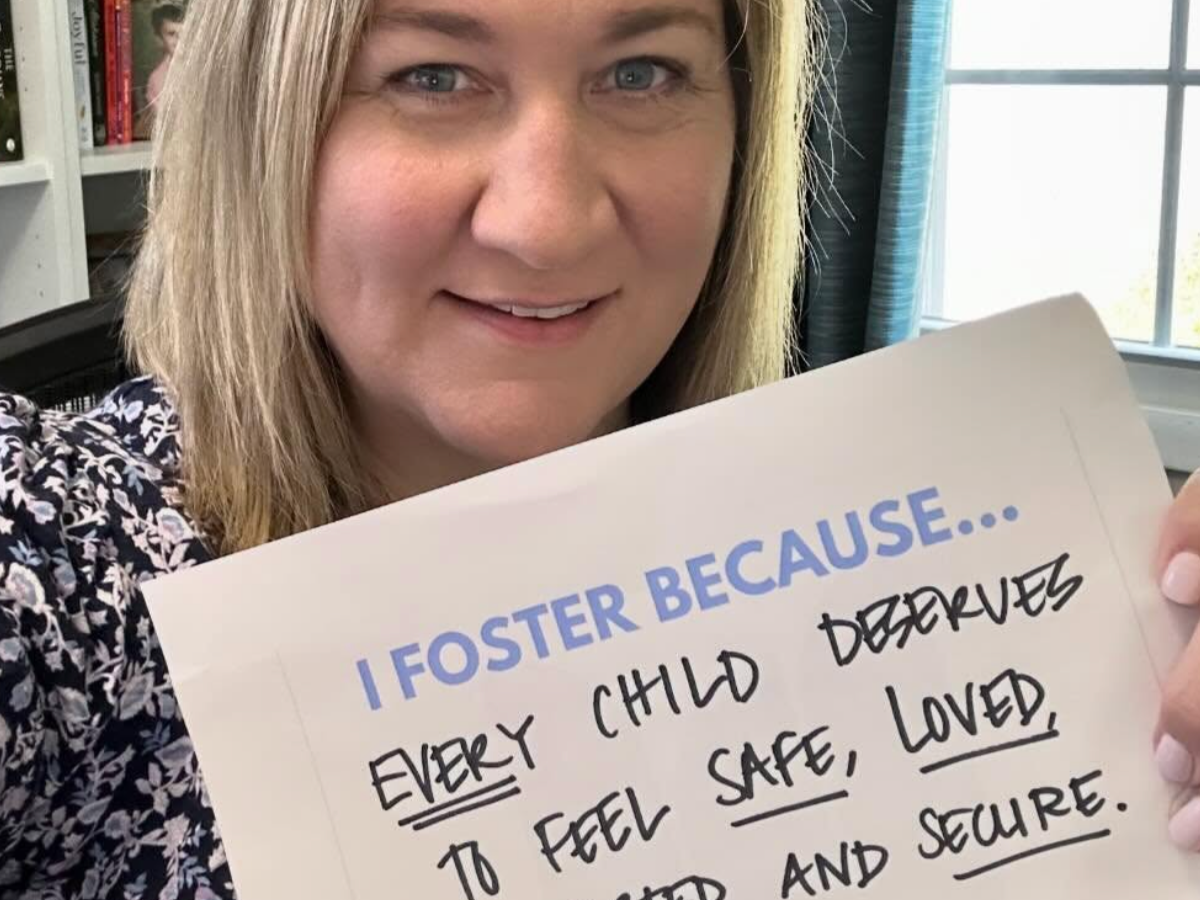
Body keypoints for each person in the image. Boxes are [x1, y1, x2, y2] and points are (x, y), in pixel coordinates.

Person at [0, 0, 805, 894]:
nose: (546, 226)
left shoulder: (859, 556)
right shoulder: (59, 558)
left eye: (640, 74)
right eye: (432, 77)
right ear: (261, 120)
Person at [145, 3, 185, 110]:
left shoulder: (203, 66)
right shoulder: (156, 79)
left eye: (184, 33)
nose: (180, 40)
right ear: (159, 39)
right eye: (172, 34)